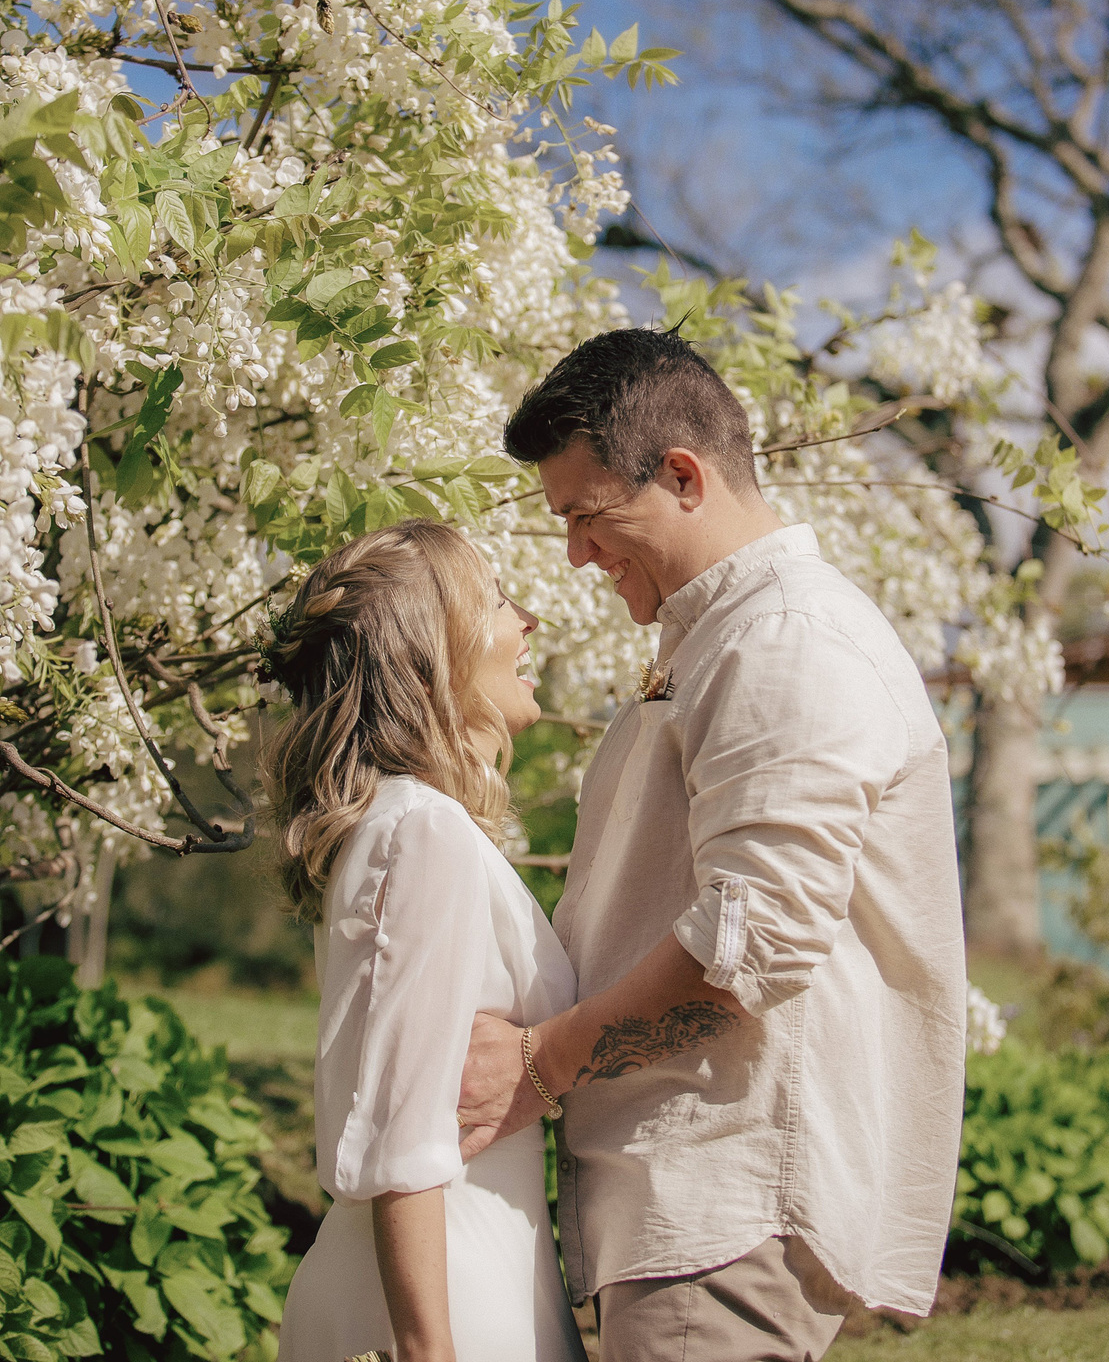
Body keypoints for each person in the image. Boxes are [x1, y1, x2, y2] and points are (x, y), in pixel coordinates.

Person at [456, 328, 968, 1362]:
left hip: (726, 1202)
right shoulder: (728, 638)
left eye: (588, 516)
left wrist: (538, 1067)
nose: (577, 555)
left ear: (684, 477)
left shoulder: (786, 642)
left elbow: (753, 943)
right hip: (692, 1198)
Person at [268, 521, 586, 1362]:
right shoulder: (419, 830)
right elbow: (400, 1128)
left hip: (465, 1275)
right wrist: (427, 1346)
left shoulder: (396, 825)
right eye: (497, 602)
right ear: (433, 651)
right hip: (441, 1298)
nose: (529, 621)